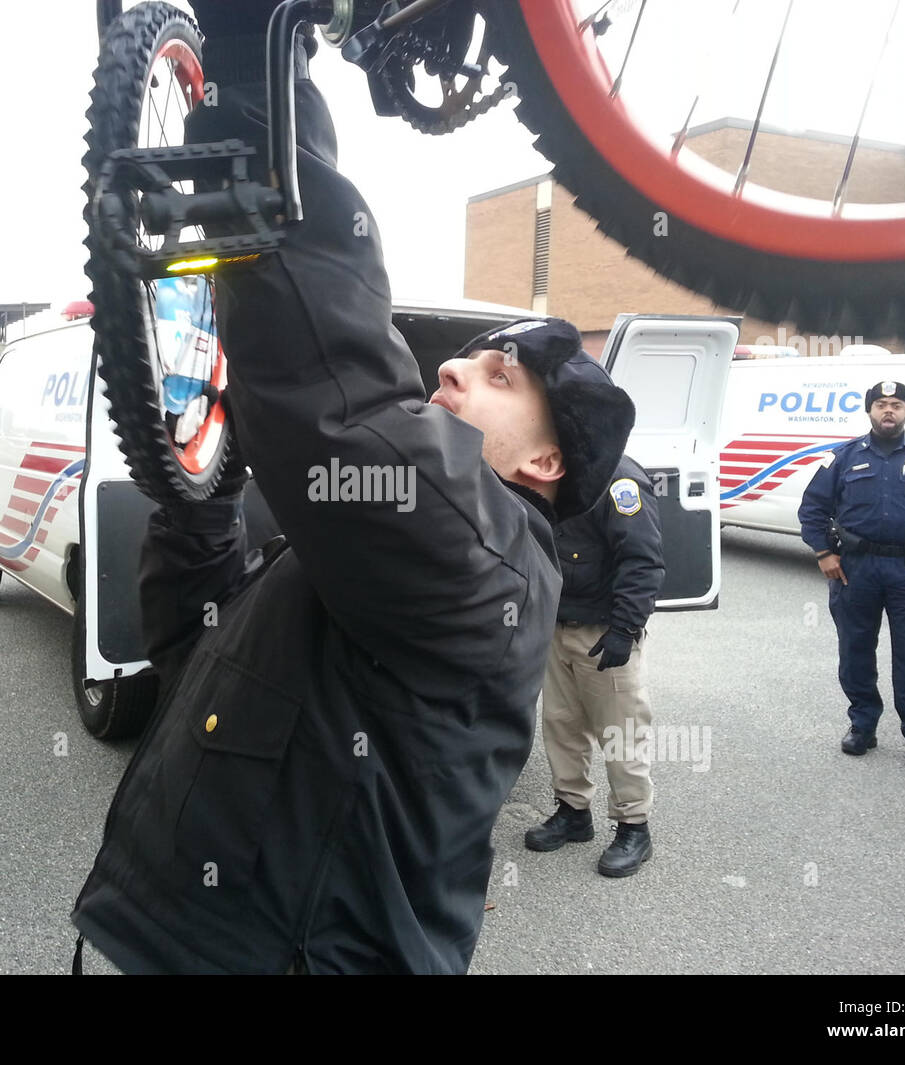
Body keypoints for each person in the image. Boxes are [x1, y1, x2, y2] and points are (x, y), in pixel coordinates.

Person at [71, 4, 635, 974]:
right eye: (462, 363)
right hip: (155, 932)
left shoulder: (490, 563)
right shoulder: (388, 552)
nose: (454, 372)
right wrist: (200, 495)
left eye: (499, 380)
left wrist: (259, 78)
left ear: (543, 464)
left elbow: (337, 397)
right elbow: (196, 652)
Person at [797, 380, 905, 772]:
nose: (888, 410)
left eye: (895, 404)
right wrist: (824, 553)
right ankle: (862, 726)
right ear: (869, 411)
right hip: (855, 570)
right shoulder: (840, 459)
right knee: (855, 650)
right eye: (880, 404)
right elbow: (812, 510)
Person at [525, 452, 664, 877]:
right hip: (556, 624)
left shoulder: (619, 479)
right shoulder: (549, 472)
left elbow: (642, 560)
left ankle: (633, 826)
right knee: (562, 725)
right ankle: (572, 811)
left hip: (603, 632)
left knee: (620, 732)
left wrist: (624, 629)